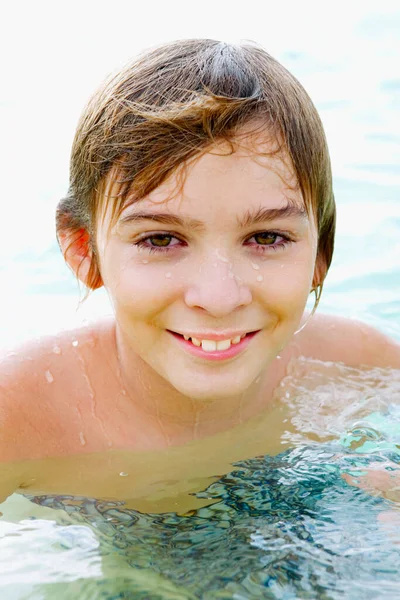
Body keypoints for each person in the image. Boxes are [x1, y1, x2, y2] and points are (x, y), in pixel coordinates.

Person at [0, 39, 399, 480]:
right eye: (161, 239)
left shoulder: (363, 372)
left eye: (266, 237)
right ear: (83, 250)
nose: (219, 298)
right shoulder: (16, 420)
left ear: (321, 254)